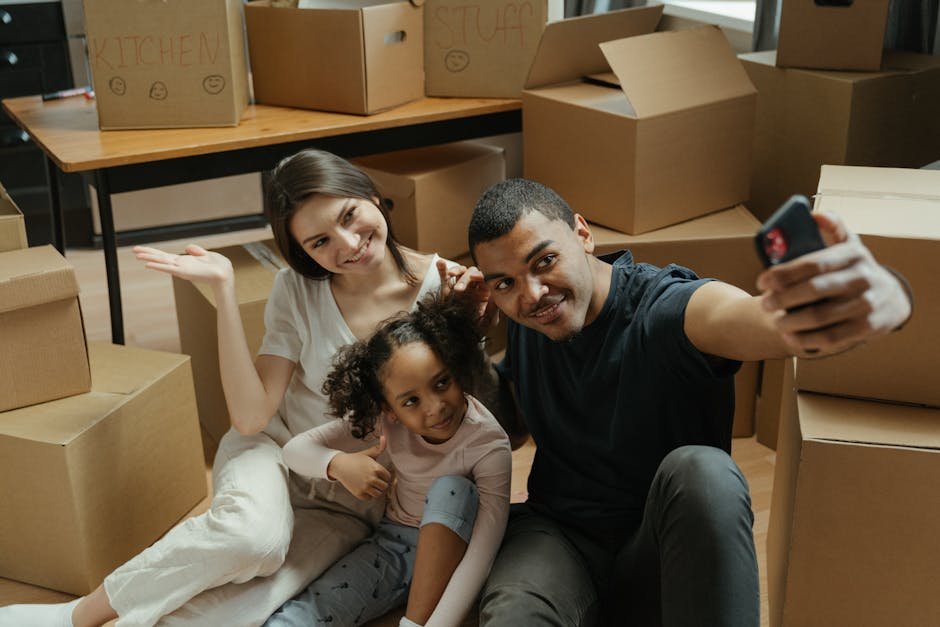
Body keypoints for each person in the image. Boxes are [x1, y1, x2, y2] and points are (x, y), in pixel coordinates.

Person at [0, 149, 455, 627]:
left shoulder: (446, 285)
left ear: (371, 195)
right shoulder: (298, 289)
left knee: (245, 608)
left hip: (349, 502)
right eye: (320, 242)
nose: (348, 244)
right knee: (252, 538)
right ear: (304, 253)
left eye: (349, 216)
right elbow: (252, 417)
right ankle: (76, 616)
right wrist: (223, 291)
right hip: (274, 451)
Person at [439, 178, 913, 627]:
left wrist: (878, 297)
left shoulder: (666, 309)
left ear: (583, 234)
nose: (532, 294)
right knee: (512, 613)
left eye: (544, 261)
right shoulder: (532, 318)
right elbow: (515, 427)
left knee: (704, 473)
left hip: (665, 552)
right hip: (563, 538)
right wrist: (468, 346)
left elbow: (758, 321)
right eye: (505, 283)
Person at [265, 295, 511, 627]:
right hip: (394, 545)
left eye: (442, 383)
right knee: (304, 613)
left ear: (456, 368)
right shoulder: (387, 423)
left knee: (452, 489)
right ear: (388, 409)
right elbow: (294, 450)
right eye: (411, 400)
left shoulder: (489, 444)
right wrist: (338, 464)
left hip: (459, 555)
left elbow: (482, 553)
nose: (435, 406)